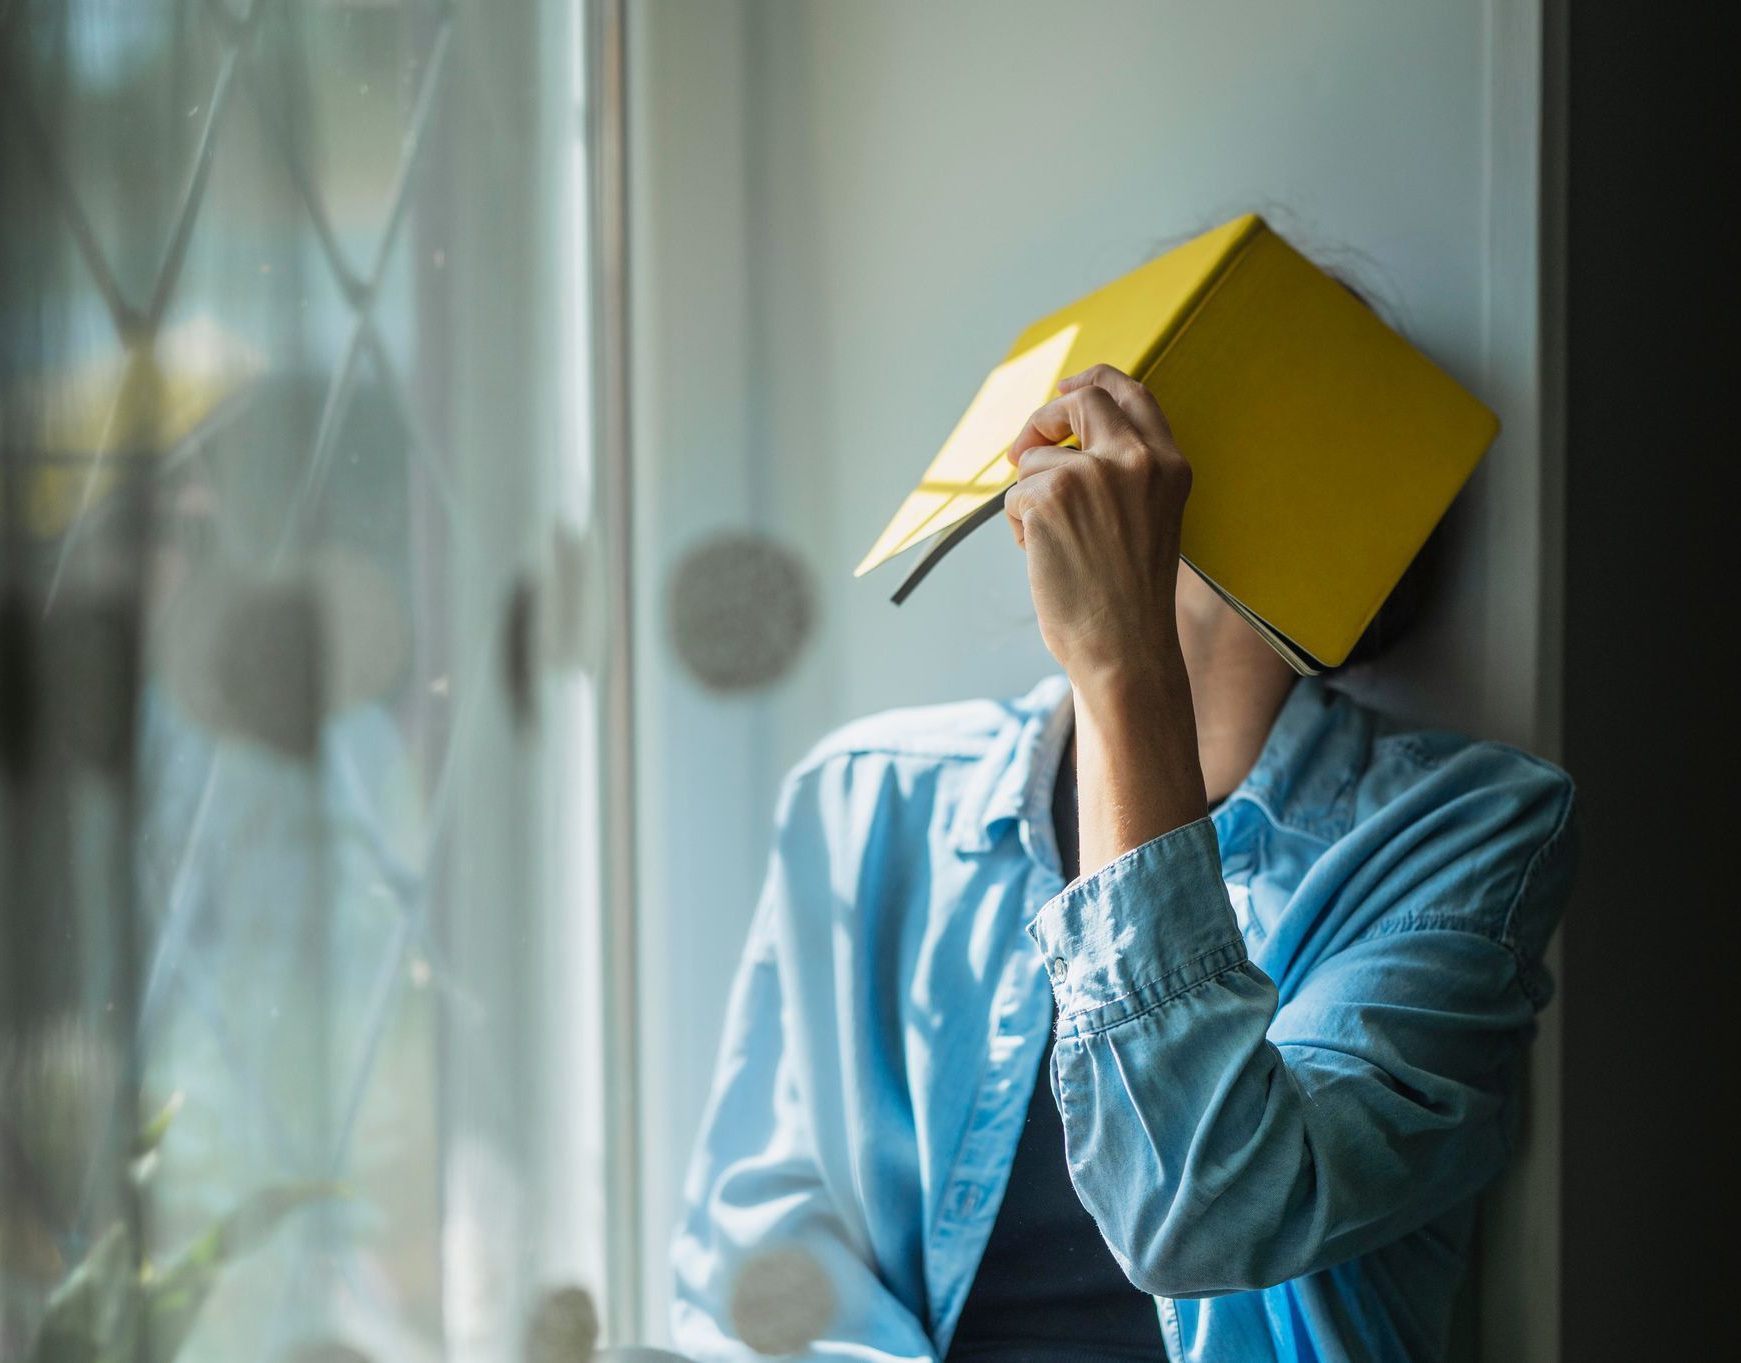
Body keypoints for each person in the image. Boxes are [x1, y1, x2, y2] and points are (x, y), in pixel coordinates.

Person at [672, 363, 1577, 1362]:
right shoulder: (868, 799)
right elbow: (757, 1276)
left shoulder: (1457, 827)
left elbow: (1210, 1211)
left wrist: (1120, 663)